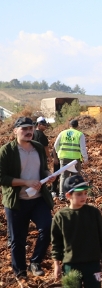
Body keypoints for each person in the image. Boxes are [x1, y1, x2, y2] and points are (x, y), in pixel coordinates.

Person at [1, 117, 55, 278]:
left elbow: (43, 169)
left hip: (38, 199)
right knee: (18, 239)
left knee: (47, 228)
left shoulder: (37, 147)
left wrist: (49, 175)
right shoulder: (7, 151)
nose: (28, 131)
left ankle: (35, 261)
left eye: (30, 128)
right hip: (17, 202)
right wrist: (26, 182)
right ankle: (21, 272)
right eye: (24, 129)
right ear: (15, 131)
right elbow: (2, 178)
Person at [53, 119, 88, 197]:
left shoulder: (62, 133)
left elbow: (55, 146)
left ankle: (62, 195)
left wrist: (59, 155)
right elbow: (83, 148)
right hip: (75, 160)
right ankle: (74, 195)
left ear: (69, 125)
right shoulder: (79, 134)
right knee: (76, 177)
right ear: (77, 126)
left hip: (64, 158)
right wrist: (85, 159)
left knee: (63, 176)